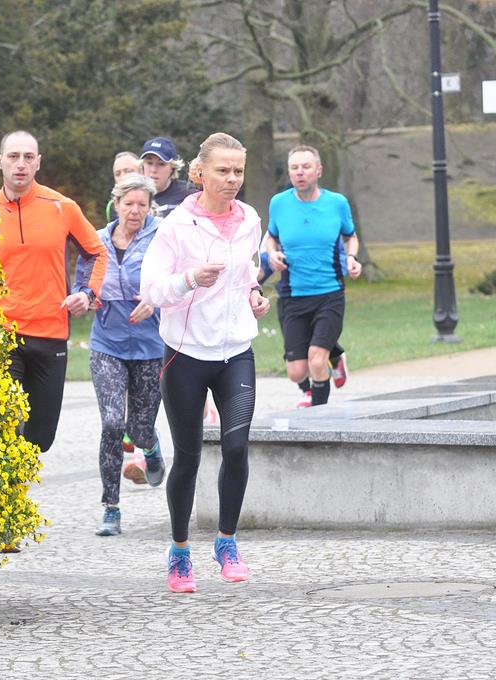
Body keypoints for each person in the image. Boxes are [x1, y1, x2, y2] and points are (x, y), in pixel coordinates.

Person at [141, 132, 271, 593]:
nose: (232, 179)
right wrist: (190, 279)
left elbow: (247, 273)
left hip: (235, 351)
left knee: (236, 447)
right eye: (223, 170)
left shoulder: (250, 219)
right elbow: (152, 290)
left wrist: (255, 295)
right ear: (199, 173)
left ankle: (226, 542)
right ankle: (179, 552)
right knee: (189, 457)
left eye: (238, 171)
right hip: (185, 354)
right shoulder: (177, 226)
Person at [0, 130, 107, 454]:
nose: (20, 164)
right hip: (1, 335)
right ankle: (8, 484)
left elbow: (97, 253)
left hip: (50, 332)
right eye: (13, 156)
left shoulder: (62, 207)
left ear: (38, 163)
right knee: (2, 427)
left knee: (41, 438)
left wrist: (87, 293)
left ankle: (19, 472)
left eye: (28, 157)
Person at [74, 173, 167, 536]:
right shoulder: (96, 240)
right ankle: (111, 509)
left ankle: (151, 447)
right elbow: (83, 282)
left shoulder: (162, 238)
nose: (135, 211)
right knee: (113, 423)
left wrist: (155, 298)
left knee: (139, 429)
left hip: (150, 345)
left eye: (142, 205)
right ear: (116, 204)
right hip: (107, 345)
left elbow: (176, 281)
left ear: (150, 207)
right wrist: (85, 297)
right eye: (129, 204)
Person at [265, 145, 362, 408]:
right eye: (294, 168)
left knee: (316, 360)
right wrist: (272, 254)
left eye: (306, 167)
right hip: (293, 295)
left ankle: (319, 417)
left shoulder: (337, 203)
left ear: (318, 170)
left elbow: (350, 236)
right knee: (297, 372)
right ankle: (336, 355)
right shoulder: (279, 203)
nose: (300, 172)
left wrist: (351, 258)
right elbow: (271, 237)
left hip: (329, 293)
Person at [259, 231, 349, 408]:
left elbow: (340, 254)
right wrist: (247, 284)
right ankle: (334, 356)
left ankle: (311, 392)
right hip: (291, 297)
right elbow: (265, 262)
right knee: (296, 366)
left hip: (325, 293)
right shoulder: (278, 222)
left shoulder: (325, 220)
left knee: (316, 355)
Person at [140, 136, 195, 218]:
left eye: (161, 164)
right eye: (149, 163)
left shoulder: (190, 195)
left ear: (172, 168)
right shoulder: (132, 194)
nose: (153, 170)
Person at [104, 151, 140, 223]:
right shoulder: (112, 206)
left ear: (142, 172)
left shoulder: (154, 197)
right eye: (118, 174)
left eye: (128, 171)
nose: (123, 177)